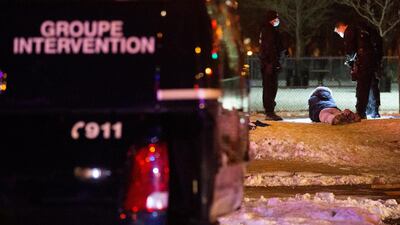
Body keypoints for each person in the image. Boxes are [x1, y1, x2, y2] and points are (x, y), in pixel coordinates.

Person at [334, 21, 383, 119]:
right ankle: (374, 111)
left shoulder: (349, 31)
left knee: (362, 86)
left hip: (363, 60)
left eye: (338, 33)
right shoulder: (361, 28)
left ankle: (361, 112)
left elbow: (350, 50)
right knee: (372, 85)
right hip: (372, 59)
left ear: (340, 28)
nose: (340, 35)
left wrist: (350, 61)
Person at [259, 10, 286, 121]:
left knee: (269, 87)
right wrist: (273, 62)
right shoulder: (269, 31)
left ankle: (269, 110)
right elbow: (271, 48)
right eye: (276, 18)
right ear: (272, 19)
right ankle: (269, 112)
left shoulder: (265, 30)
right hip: (269, 64)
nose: (277, 20)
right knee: (270, 87)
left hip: (267, 63)